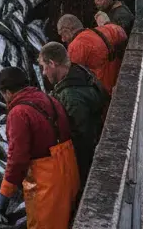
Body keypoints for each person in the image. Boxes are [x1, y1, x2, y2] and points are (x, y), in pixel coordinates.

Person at [0, 66, 80, 229]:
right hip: (70, 173)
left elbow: (17, 159)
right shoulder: (50, 99)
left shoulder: (18, 113)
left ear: (8, 92)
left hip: (47, 185)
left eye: (3, 95)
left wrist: (4, 194)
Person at [38, 42, 108, 187]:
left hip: (85, 160)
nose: (44, 73)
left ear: (52, 63)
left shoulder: (71, 96)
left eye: (44, 67)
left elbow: (81, 139)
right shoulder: (80, 71)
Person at [56, 14, 127, 95]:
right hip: (123, 80)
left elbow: (70, 79)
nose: (62, 39)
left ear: (67, 31)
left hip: (107, 94)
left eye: (62, 35)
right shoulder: (111, 28)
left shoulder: (75, 47)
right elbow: (122, 33)